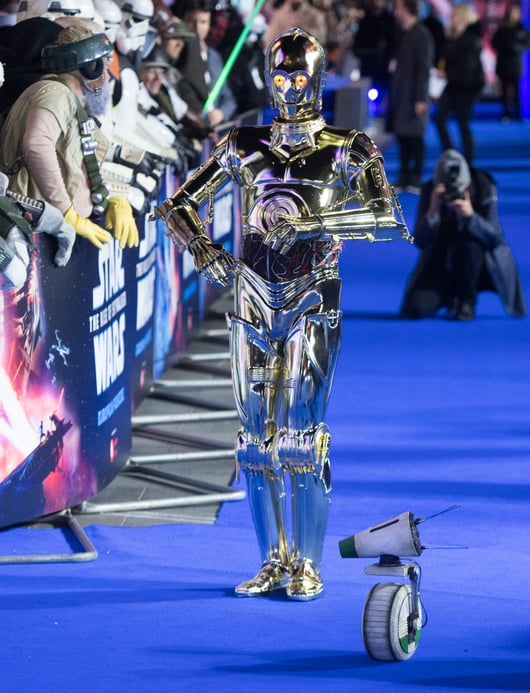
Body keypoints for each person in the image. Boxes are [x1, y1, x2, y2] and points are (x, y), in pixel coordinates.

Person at [155, 28, 408, 600]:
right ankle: (273, 559)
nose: (291, 87)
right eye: (282, 76)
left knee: (299, 438)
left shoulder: (348, 146)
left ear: (317, 78)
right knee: (253, 441)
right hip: (251, 292)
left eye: (300, 76)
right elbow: (177, 206)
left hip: (313, 294)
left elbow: (389, 218)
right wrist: (208, 252)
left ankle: (308, 564)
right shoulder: (244, 143)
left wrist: (314, 225)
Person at [0, 18, 138, 255]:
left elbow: (76, 162)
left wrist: (111, 198)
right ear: (89, 67)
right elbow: (36, 146)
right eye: (102, 64)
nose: (107, 74)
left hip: (53, 226)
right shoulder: (55, 94)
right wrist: (66, 212)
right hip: (41, 228)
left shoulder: (67, 99)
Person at [400, 149, 526, 321]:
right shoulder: (430, 190)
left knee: (471, 241)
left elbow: (495, 238)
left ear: (467, 183)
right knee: (414, 309)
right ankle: (446, 295)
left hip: (477, 260)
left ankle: (466, 300)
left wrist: (470, 216)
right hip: (440, 257)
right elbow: (420, 241)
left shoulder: (483, 185)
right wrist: (433, 211)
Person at [389, 0, 433, 192]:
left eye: (398, 7)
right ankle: (404, 176)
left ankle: (415, 178)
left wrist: (421, 98)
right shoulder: (405, 34)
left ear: (406, 8)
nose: (395, 11)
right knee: (403, 136)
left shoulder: (422, 35)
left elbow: (424, 69)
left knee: (415, 137)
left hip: (413, 95)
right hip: (402, 93)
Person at [433, 3, 485, 164]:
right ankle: (451, 155)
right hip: (452, 85)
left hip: (466, 88)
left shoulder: (470, 40)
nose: (450, 18)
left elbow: (468, 69)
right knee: (440, 120)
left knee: (463, 125)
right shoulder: (453, 37)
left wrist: (447, 73)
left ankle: (468, 162)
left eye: (454, 15)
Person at [491, 2, 530, 123]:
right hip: (503, 62)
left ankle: (519, 114)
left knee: (517, 90)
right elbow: (494, 43)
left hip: (515, 64)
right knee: (504, 90)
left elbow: (528, 44)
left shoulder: (522, 28)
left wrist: (515, 47)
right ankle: (506, 114)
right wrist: (505, 47)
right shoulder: (502, 28)